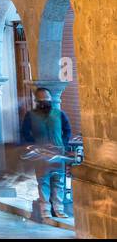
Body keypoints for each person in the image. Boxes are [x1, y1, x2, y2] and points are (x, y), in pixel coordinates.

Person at [19, 87, 74, 218]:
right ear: (37, 101)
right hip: (41, 154)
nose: (44, 103)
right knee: (43, 182)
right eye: (41, 100)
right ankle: (45, 211)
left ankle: (59, 209)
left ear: (50, 100)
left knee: (58, 181)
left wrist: (63, 144)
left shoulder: (60, 114)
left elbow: (67, 130)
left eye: (46, 100)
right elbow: (25, 133)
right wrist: (36, 144)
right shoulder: (30, 116)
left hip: (58, 153)